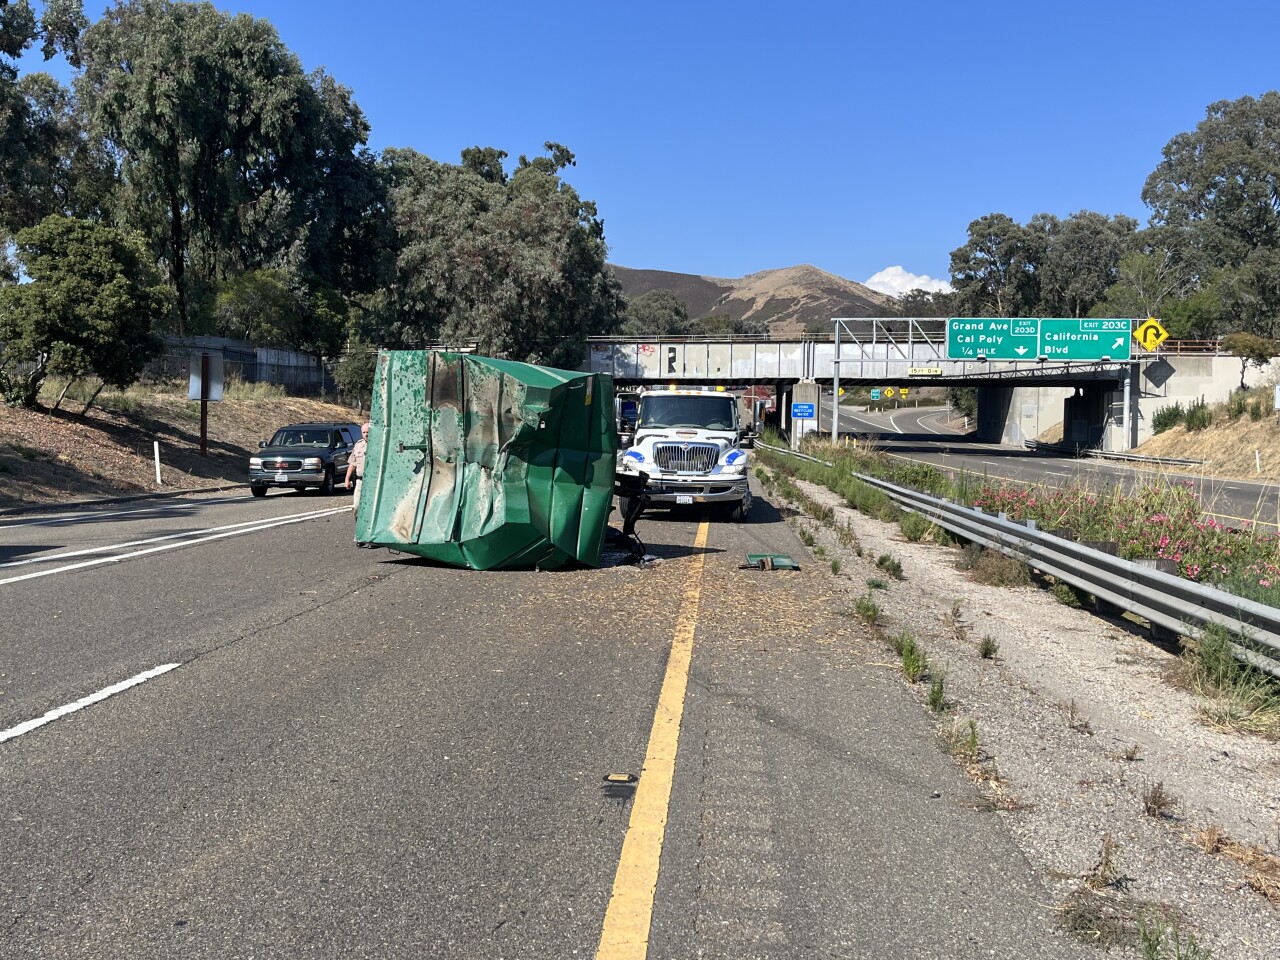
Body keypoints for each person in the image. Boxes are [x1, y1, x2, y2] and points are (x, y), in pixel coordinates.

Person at [345, 422, 370, 539]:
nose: (366, 435)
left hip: (374, 482)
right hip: (360, 481)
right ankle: (360, 531)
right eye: (364, 432)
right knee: (357, 507)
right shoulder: (358, 445)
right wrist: (347, 479)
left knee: (371, 510)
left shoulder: (380, 445)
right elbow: (352, 464)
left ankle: (369, 536)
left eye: (368, 432)